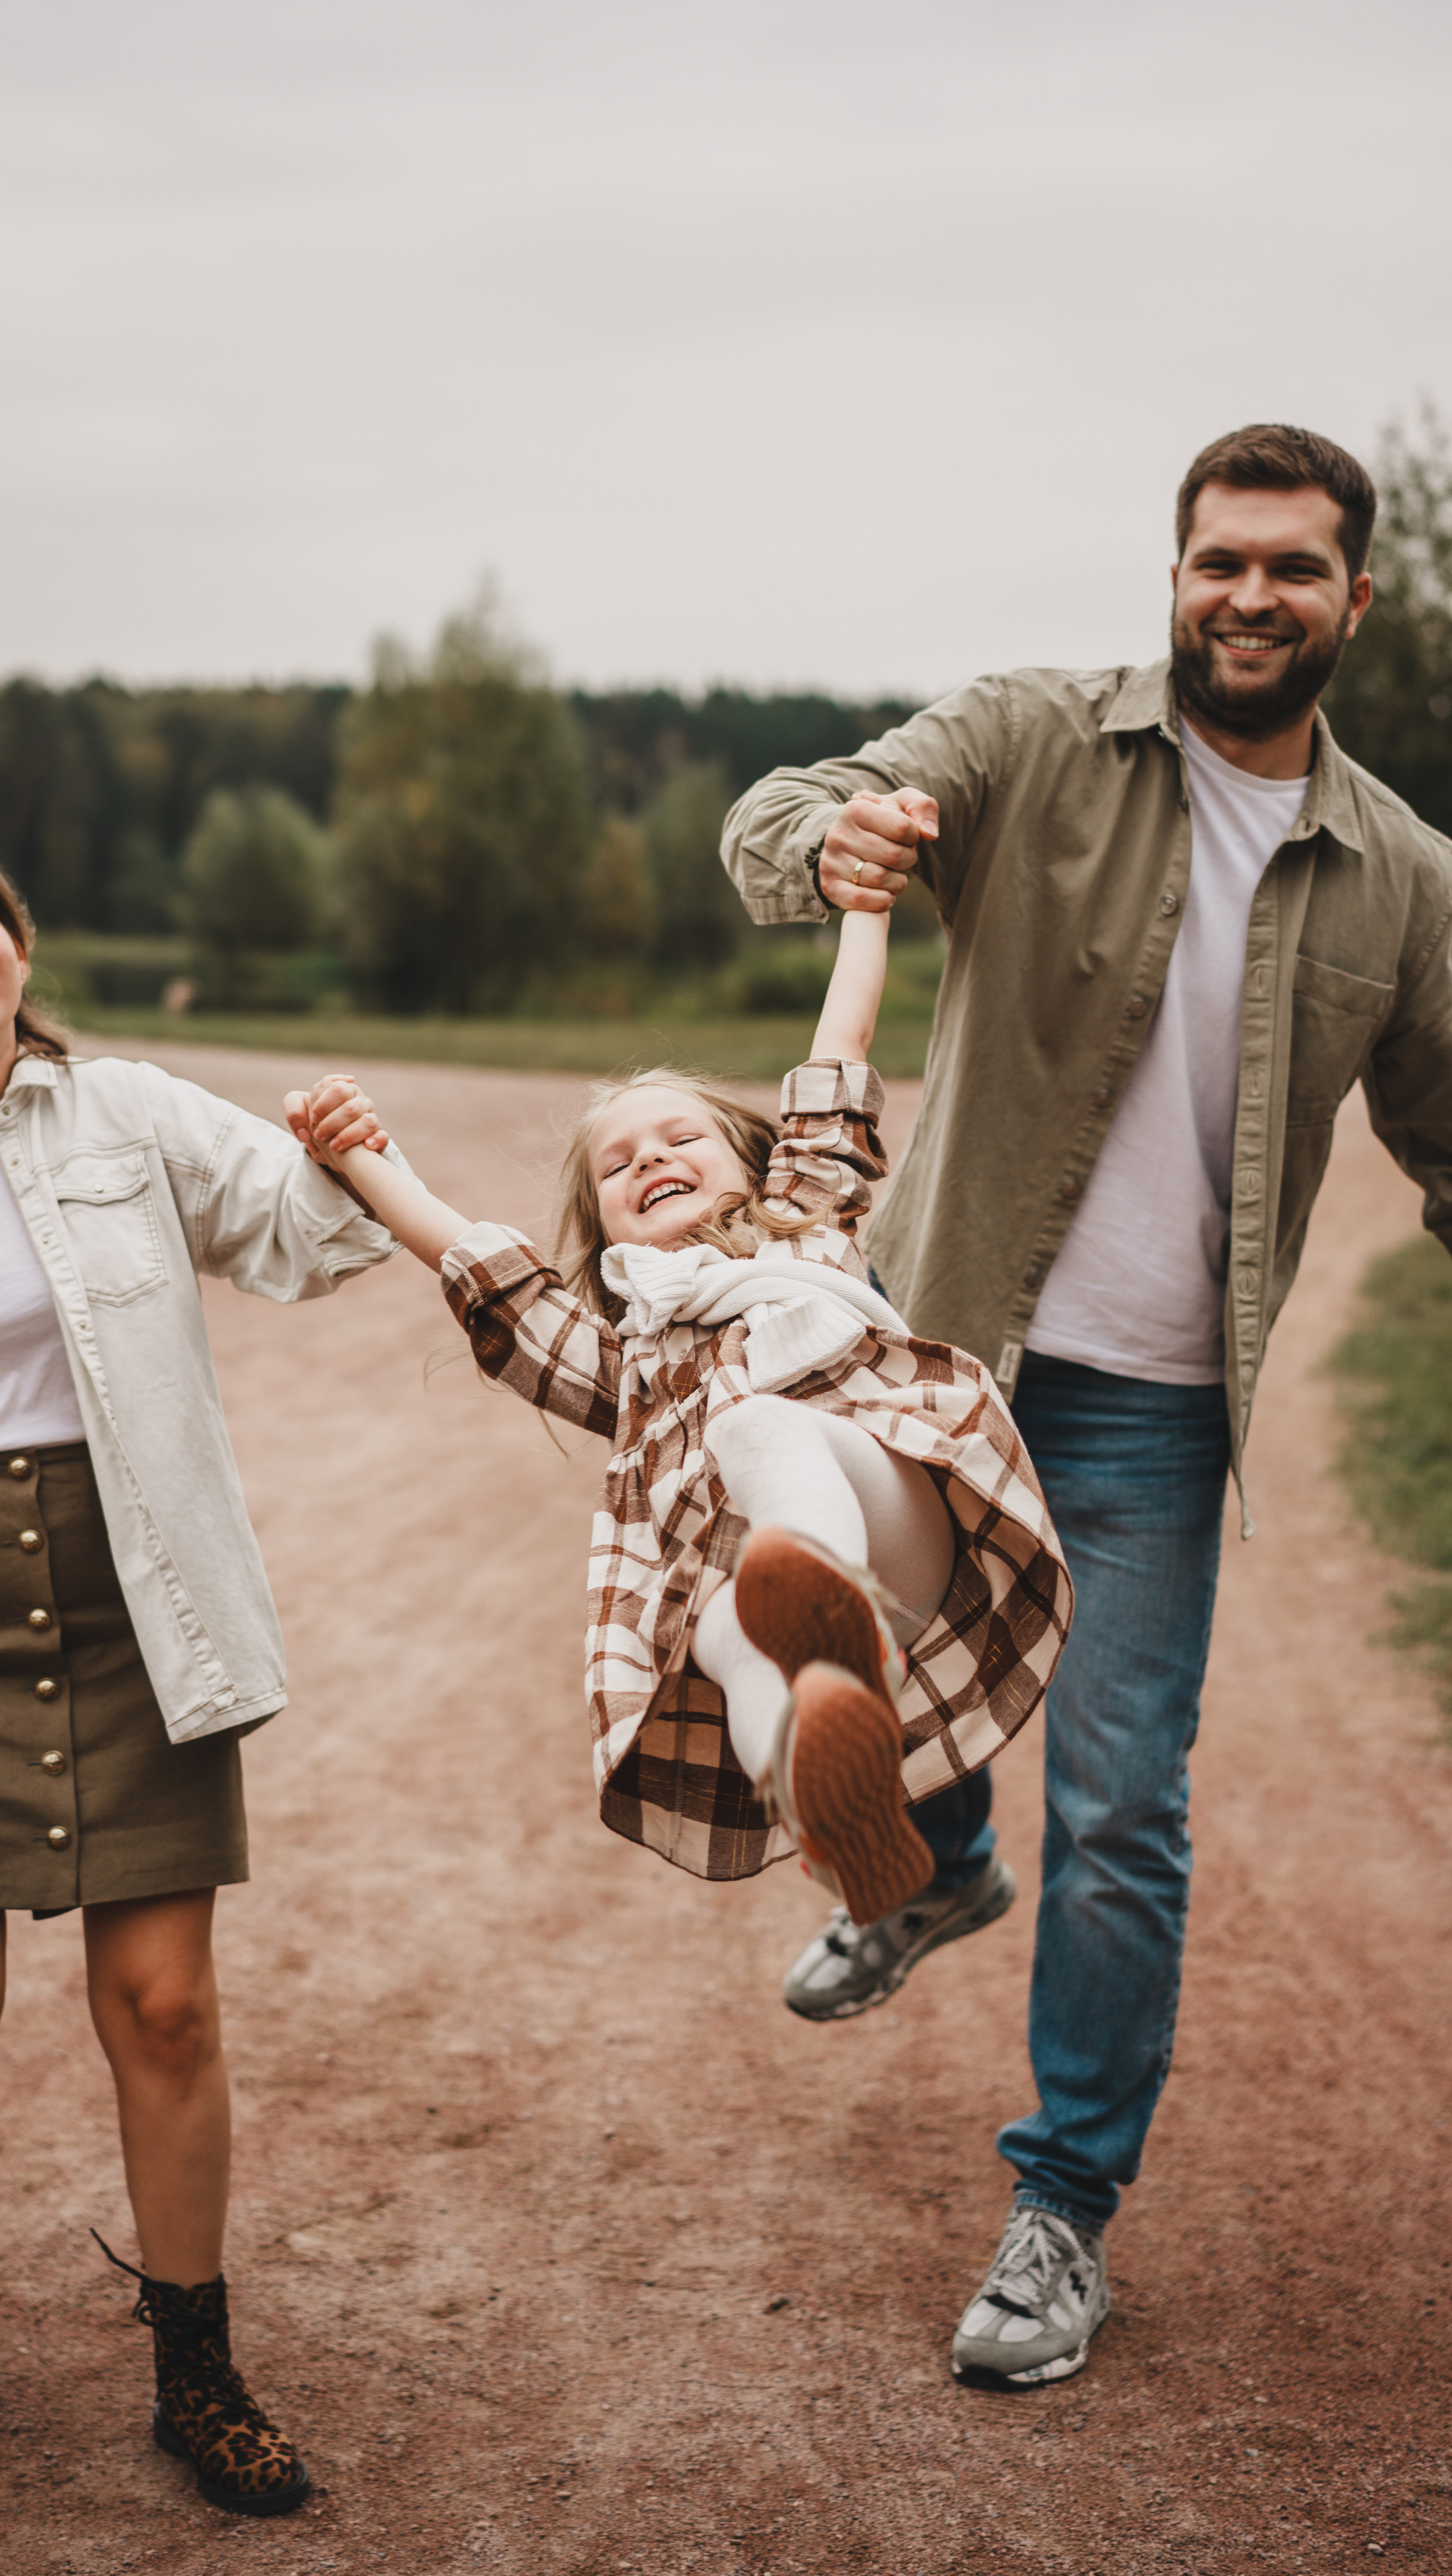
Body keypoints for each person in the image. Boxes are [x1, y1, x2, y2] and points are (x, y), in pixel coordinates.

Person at [720, 422, 1452, 2388]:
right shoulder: (1034, 735)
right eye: (1221, 559)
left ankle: (1062, 2213)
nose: (1251, 595)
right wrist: (833, 845)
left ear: (1354, 602)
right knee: (834, 1622)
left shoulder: (1405, 878)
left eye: (1294, 568)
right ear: (1177, 570)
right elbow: (791, 809)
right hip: (945, 1355)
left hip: (1151, 1419)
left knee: (1125, 1808)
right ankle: (935, 1862)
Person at [0, 820, 405, 2514]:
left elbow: (311, 1238)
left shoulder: (128, 1116)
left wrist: (343, 1147)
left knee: (164, 2007)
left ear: (16, 945)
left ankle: (195, 2368)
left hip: (130, 1596)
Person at [288, 904, 1070, 1962]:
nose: (647, 1159)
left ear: (752, 1160)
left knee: (757, 1428)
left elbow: (840, 1044)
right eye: (616, 1167)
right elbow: (460, 1245)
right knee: (726, 1644)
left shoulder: (808, 1217)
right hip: (748, 1585)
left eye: (679, 1138)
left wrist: (868, 911)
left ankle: (837, 1609)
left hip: (891, 1519)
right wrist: (356, 1151)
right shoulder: (620, 1355)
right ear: (602, 1224)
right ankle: (831, 1811)